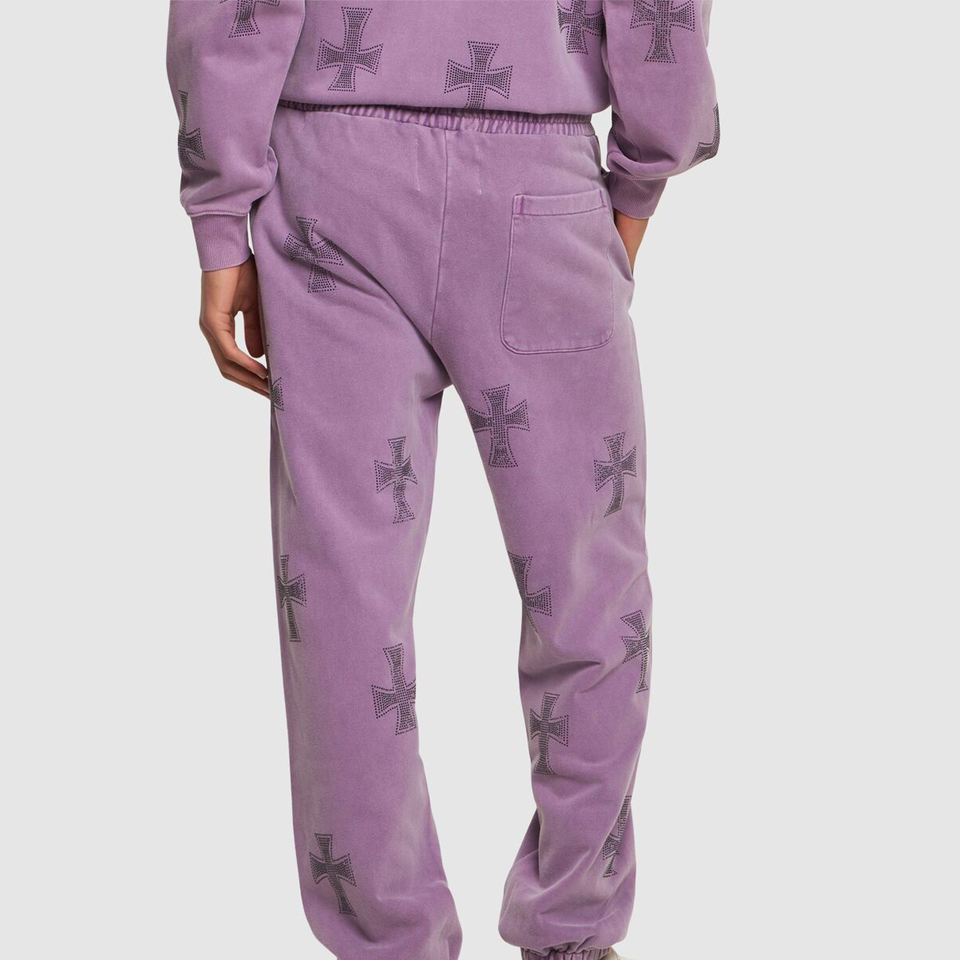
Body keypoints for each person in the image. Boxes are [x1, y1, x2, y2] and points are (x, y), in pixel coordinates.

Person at [167, 2, 718, 958]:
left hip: (330, 180)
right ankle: (574, 929)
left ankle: (387, 941)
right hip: (537, 180)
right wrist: (643, 172)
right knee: (589, 590)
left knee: (343, 597)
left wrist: (222, 216)